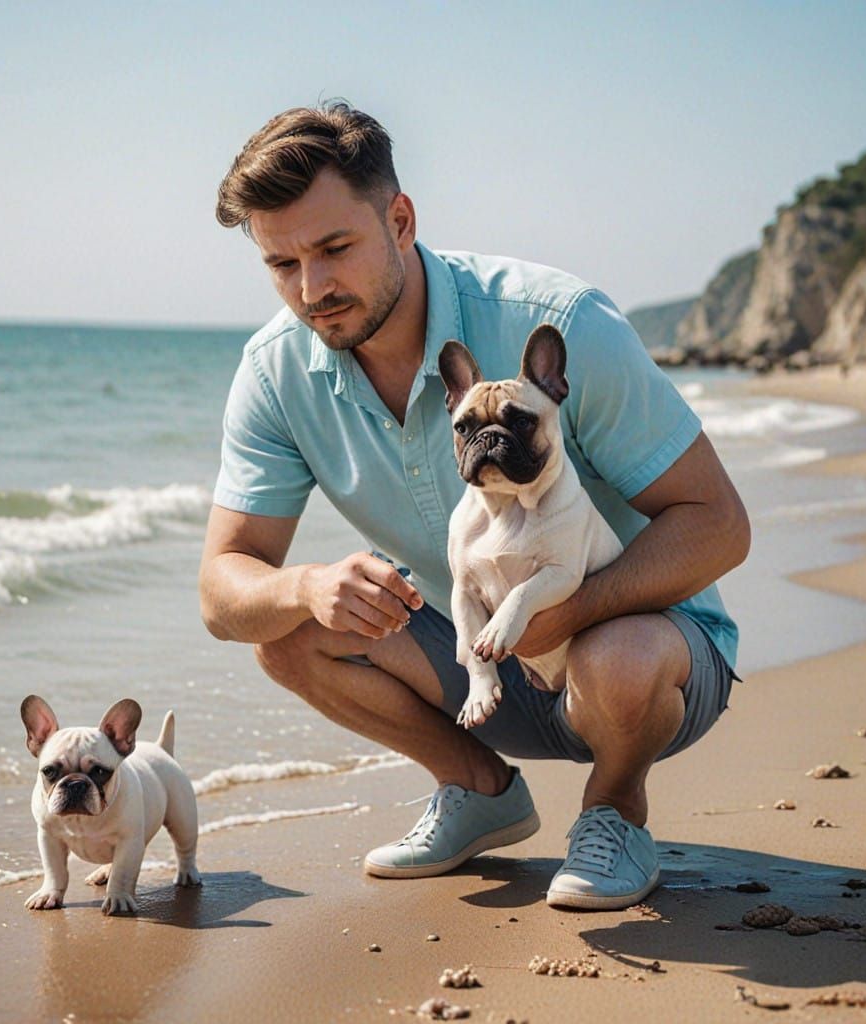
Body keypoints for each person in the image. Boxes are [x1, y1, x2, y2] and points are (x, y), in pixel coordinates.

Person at [199, 102, 750, 910]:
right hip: (482, 662)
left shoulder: (558, 325)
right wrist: (305, 588)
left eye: (333, 249)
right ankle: (478, 789)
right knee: (288, 634)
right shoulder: (276, 374)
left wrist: (574, 607)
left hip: (646, 658)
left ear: (399, 219)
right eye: (282, 265)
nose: (312, 290)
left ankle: (615, 809)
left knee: (620, 656)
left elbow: (719, 523)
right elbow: (221, 587)